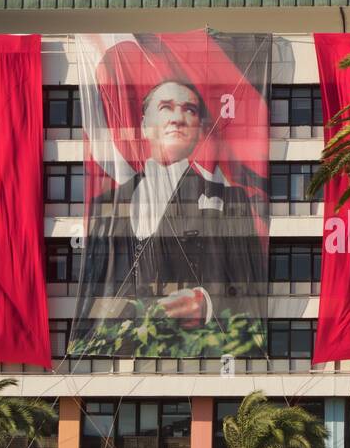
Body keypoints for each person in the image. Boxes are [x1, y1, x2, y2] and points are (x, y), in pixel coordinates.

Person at [79, 79, 265, 339]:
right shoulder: (107, 204)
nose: (178, 118)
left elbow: (249, 287)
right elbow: (93, 288)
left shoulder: (231, 201)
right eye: (166, 107)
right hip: (121, 349)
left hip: (199, 349)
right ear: (144, 126)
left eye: (189, 110)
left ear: (200, 130)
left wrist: (208, 305)